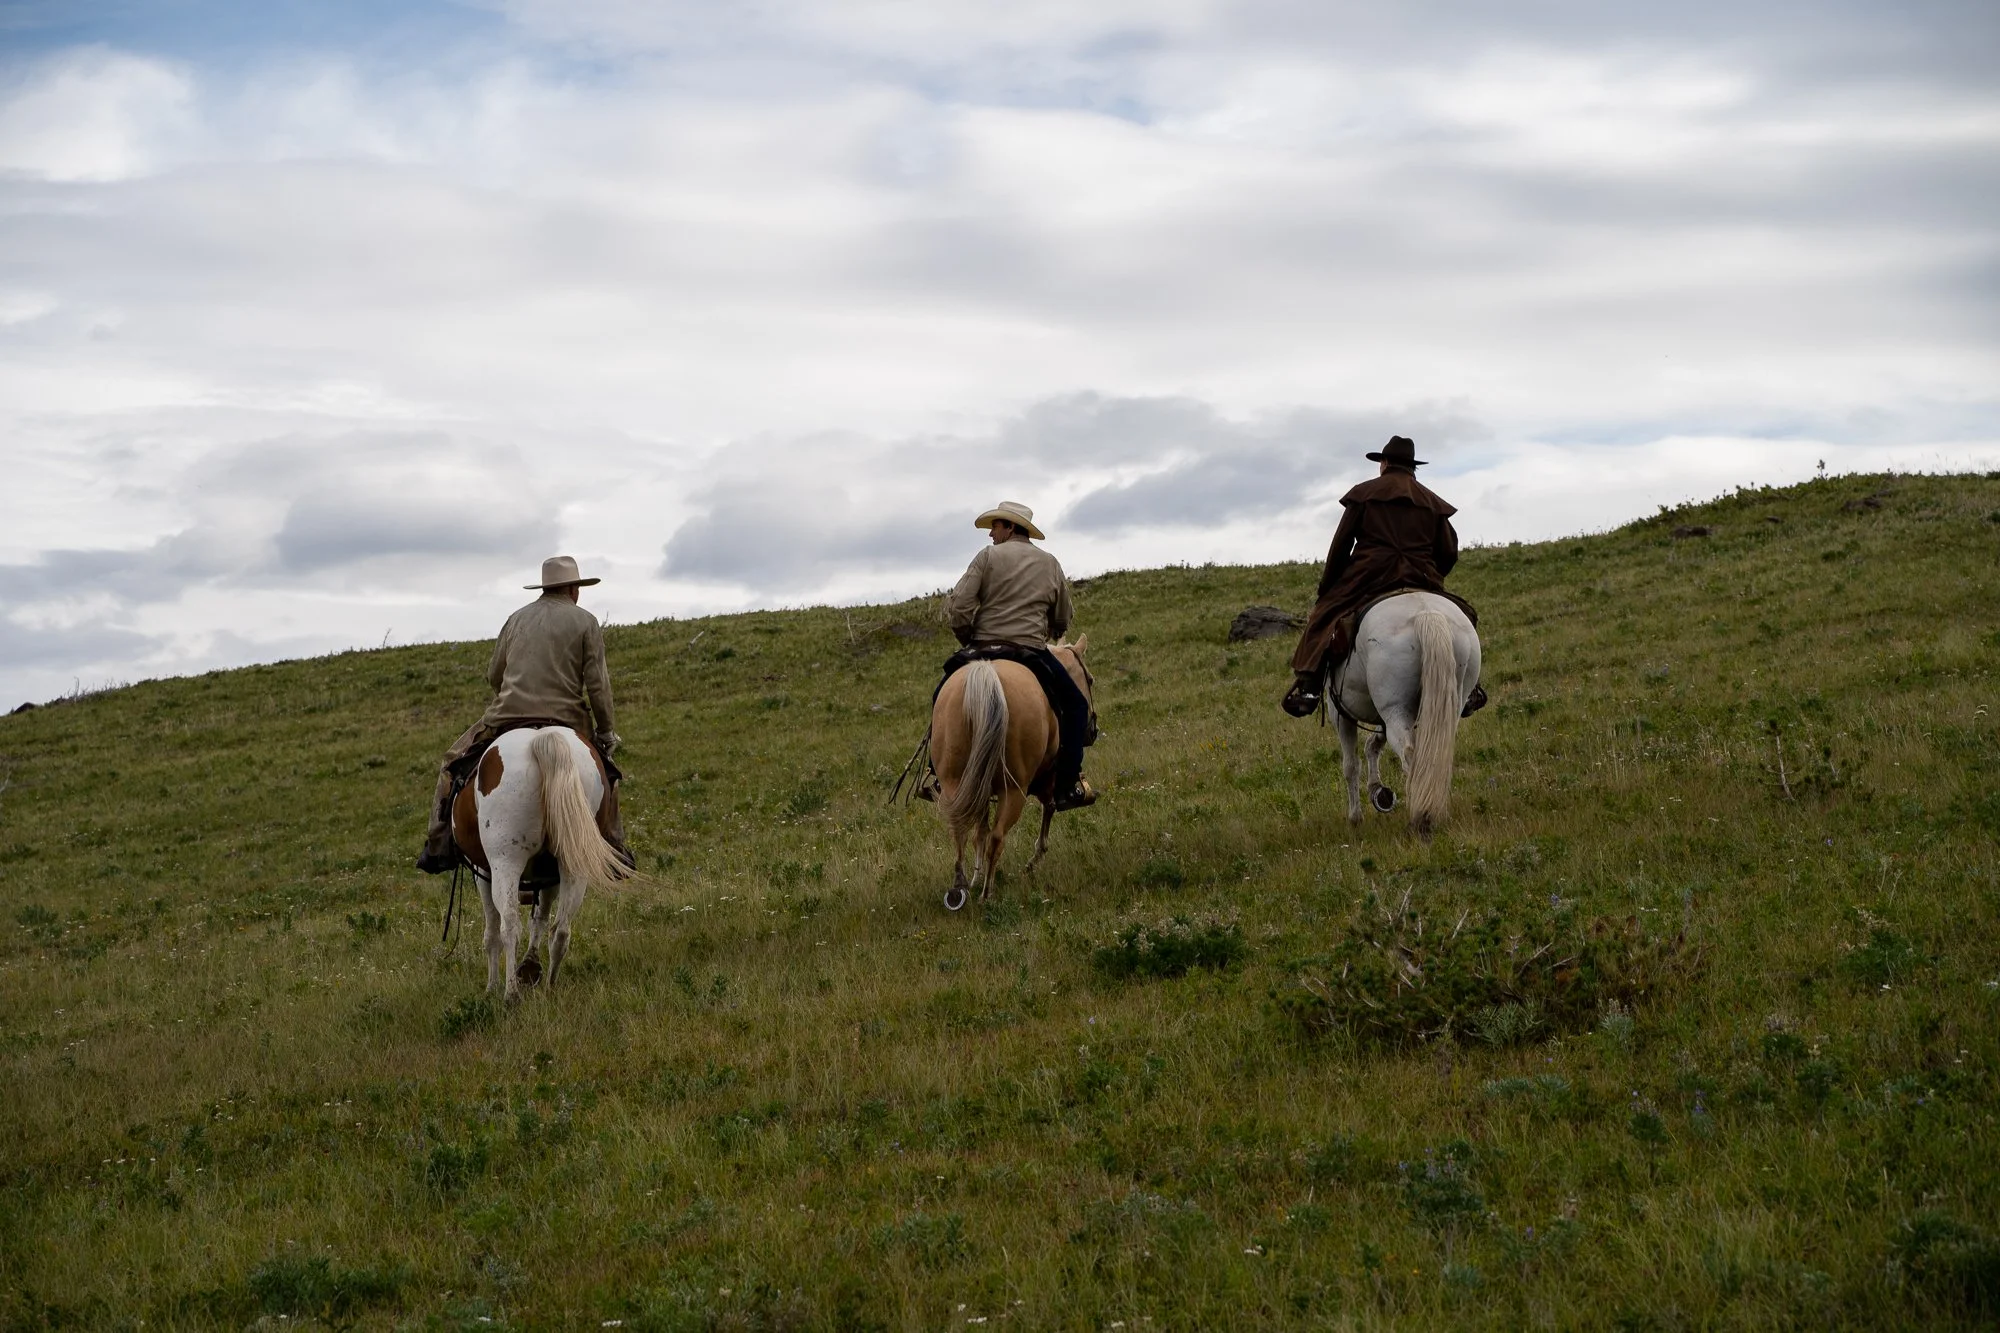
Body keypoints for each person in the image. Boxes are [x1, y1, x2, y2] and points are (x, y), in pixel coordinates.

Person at [415, 555, 632, 873]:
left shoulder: (515, 619)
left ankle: (438, 844)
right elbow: (598, 686)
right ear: (574, 589)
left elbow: (494, 674)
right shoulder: (586, 621)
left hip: (508, 715)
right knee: (608, 774)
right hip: (568, 717)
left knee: (451, 763)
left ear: (545, 588)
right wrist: (605, 731)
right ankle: (614, 846)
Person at [1283, 436, 1486, 718]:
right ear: (1412, 467)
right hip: (1420, 575)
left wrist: (1328, 588)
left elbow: (1340, 546)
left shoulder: (1364, 494)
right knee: (1466, 617)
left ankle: (1309, 687)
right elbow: (1449, 551)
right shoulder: (1431, 502)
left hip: (1368, 577)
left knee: (1322, 616)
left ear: (1385, 463)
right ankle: (1468, 688)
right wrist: (1433, 575)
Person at [930, 500, 1097, 810]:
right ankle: (1066, 785)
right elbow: (1062, 617)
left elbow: (960, 607)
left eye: (995, 526)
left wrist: (968, 639)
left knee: (940, 697)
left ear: (1010, 528)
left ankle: (939, 775)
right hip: (1031, 650)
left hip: (982, 648)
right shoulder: (1050, 563)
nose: (991, 533)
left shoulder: (986, 558)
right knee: (1074, 707)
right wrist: (1048, 631)